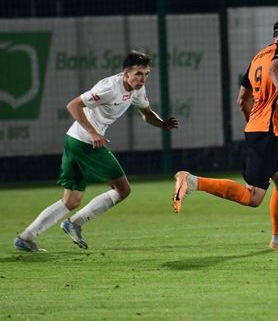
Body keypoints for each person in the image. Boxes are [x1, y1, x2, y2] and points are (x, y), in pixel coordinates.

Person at [14, 51, 179, 251]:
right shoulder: (108, 88)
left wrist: (162, 123)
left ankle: (26, 238)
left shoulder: (137, 89)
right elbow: (73, 105)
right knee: (123, 190)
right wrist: (93, 133)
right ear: (126, 73)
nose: (142, 79)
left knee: (71, 200)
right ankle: (74, 223)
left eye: (146, 74)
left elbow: (146, 112)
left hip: (73, 139)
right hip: (85, 143)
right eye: (138, 74)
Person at [172, 14, 278, 250]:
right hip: (266, 131)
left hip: (264, 130)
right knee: (253, 197)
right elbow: (275, 70)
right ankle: (192, 181)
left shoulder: (258, 57)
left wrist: (253, 126)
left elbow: (242, 99)